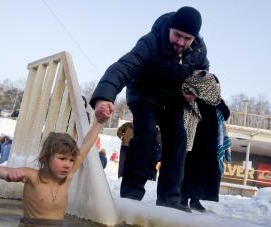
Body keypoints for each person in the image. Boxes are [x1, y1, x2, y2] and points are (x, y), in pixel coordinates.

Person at [90, 7, 209, 212]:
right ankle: (131, 192)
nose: (180, 42)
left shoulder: (199, 50)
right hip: (143, 93)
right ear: (170, 29)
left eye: (187, 38)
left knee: (178, 137)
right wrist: (104, 97)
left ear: (194, 38)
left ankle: (170, 198)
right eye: (177, 35)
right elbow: (123, 67)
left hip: (173, 99)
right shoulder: (151, 42)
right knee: (145, 131)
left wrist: (196, 90)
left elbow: (203, 75)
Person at [0, 116, 105, 220]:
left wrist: (98, 123)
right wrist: (6, 175)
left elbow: (85, 147)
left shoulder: (67, 177)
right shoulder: (33, 176)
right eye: (62, 158)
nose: (68, 164)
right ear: (46, 158)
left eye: (71, 160)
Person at [179, 70, 231, 212]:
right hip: (194, 140)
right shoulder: (192, 95)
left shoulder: (216, 99)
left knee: (201, 172)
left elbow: (226, 114)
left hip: (209, 143)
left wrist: (217, 101)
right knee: (189, 169)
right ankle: (183, 198)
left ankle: (195, 199)